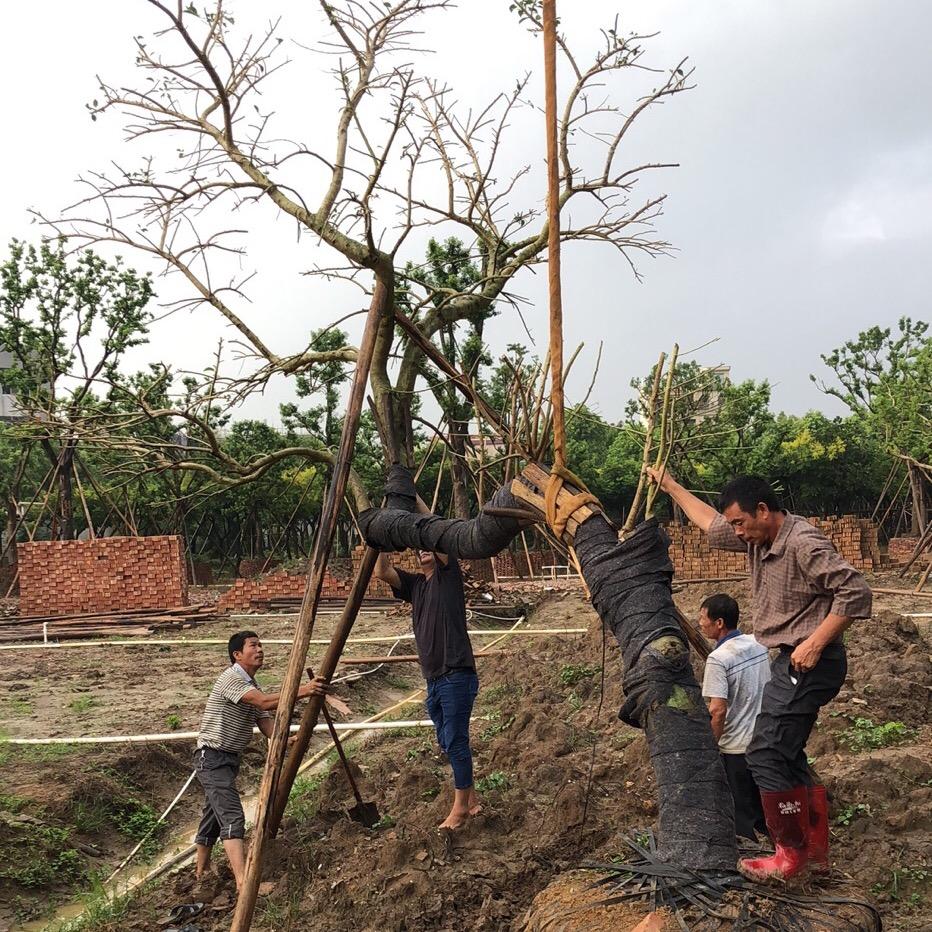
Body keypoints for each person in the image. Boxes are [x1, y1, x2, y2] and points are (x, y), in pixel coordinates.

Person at [648, 469, 872, 882]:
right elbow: (710, 524)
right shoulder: (758, 538)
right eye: (733, 523)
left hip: (809, 662)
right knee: (787, 754)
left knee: (764, 753)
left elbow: (855, 591)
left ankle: (790, 854)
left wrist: (815, 642)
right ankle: (815, 849)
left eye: (739, 522)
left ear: (764, 511)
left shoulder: (802, 543)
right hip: (789, 661)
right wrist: (671, 486)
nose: (735, 532)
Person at [373, 496, 481, 830]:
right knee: (446, 741)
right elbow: (382, 571)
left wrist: (414, 499)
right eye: (419, 547)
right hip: (434, 678)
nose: (424, 549)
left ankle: (460, 808)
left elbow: (441, 531)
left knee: (456, 739)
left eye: (428, 546)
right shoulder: (416, 585)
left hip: (455, 673)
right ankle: (472, 799)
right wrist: (382, 524)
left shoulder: (448, 576)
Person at [194, 630, 328, 891]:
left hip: (227, 758)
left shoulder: (250, 685)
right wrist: (306, 690)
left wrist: (287, 738)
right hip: (212, 756)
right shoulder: (232, 678)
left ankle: (201, 872)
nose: (260, 649)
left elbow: (264, 721)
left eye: (260, 645)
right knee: (232, 816)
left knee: (212, 814)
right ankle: (245, 883)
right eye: (253, 646)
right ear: (237, 655)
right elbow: (265, 704)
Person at [698, 593, 770, 842]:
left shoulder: (718, 659)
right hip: (764, 738)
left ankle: (748, 859)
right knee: (764, 808)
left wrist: (711, 745)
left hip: (736, 747)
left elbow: (717, 710)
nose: (700, 624)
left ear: (719, 623)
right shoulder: (758, 643)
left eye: (703, 619)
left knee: (741, 813)